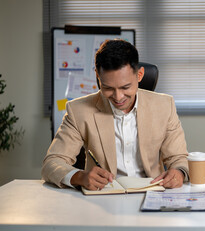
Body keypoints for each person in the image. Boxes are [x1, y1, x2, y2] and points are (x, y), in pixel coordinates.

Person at [42, 39, 188, 190]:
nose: (118, 97)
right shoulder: (78, 110)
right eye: (108, 88)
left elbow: (178, 158)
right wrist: (80, 176)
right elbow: (52, 162)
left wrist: (179, 172)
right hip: (105, 195)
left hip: (153, 193)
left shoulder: (164, 106)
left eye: (125, 87)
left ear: (139, 75)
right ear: (98, 76)